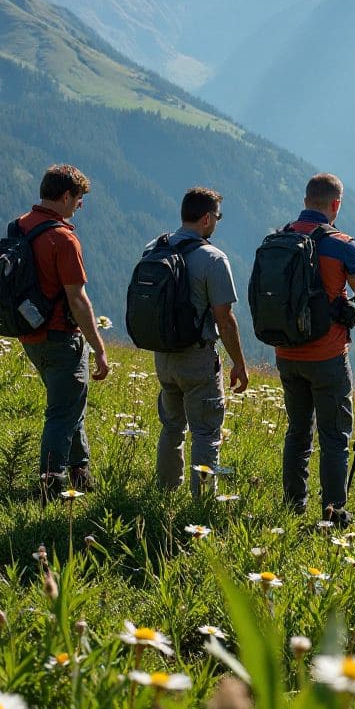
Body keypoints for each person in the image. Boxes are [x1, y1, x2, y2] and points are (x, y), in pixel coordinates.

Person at [276, 173, 355, 526]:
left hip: (286, 353)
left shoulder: (280, 238)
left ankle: (293, 505)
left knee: (297, 431)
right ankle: (334, 514)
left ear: (306, 201)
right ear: (336, 204)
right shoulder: (342, 244)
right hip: (327, 356)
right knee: (334, 437)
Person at [18, 164, 109, 496]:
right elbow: (77, 299)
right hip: (60, 336)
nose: (80, 205)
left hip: (30, 334)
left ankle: (80, 473)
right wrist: (99, 347)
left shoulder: (21, 226)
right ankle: (51, 485)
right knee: (61, 412)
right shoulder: (63, 238)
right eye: (79, 198)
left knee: (71, 403)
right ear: (67, 196)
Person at [152, 187, 249, 495]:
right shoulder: (213, 258)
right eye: (217, 217)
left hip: (163, 354)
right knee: (206, 433)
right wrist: (239, 364)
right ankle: (202, 503)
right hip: (197, 358)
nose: (217, 222)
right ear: (207, 218)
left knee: (172, 427)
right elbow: (225, 319)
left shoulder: (155, 247)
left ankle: (165, 493)